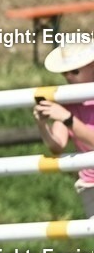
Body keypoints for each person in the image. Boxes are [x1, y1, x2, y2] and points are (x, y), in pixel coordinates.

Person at [32, 42, 94, 217]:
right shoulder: (68, 102)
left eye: (75, 71)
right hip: (90, 183)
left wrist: (67, 119)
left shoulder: (66, 111)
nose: (69, 77)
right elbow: (57, 146)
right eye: (65, 73)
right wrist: (42, 125)